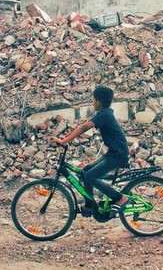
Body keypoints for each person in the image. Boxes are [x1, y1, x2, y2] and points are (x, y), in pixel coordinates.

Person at [51, 86, 131, 216]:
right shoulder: (104, 113)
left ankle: (120, 198)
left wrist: (64, 140)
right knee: (85, 172)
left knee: (90, 176)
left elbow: (84, 127)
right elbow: (85, 125)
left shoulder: (105, 115)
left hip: (118, 155)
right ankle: (90, 204)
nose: (92, 102)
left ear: (98, 102)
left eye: (93, 100)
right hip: (113, 153)